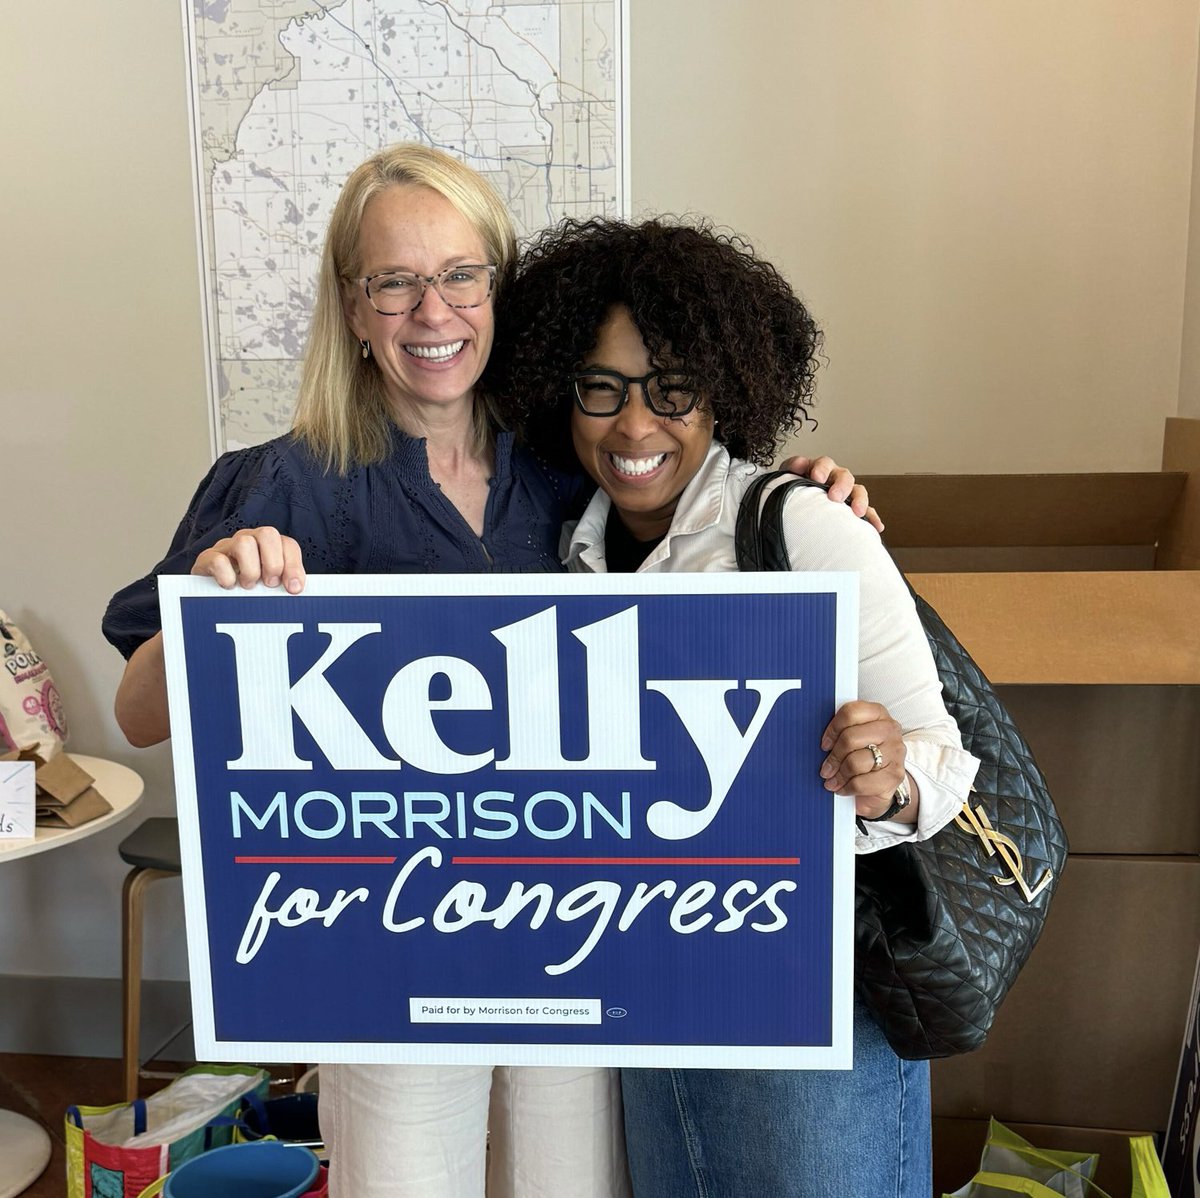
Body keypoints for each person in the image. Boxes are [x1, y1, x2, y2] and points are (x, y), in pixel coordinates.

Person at [101, 143, 871, 1198]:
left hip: (575, 940)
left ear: (499, 291)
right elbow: (138, 713)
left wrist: (804, 499)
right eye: (396, 282)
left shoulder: (569, 468)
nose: (434, 311)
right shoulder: (284, 481)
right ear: (354, 306)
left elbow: (705, 540)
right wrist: (210, 595)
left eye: (462, 275)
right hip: (393, 962)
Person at [484, 216, 982, 1198]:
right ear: (560, 393)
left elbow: (946, 768)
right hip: (649, 982)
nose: (635, 426)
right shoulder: (564, 552)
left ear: (723, 393)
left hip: (812, 987)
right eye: (602, 389)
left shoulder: (800, 525)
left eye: (673, 390)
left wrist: (883, 779)